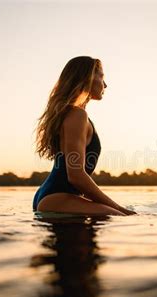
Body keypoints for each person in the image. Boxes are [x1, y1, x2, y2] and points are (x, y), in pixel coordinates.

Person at [33, 56, 136, 216]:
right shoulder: (77, 115)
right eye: (102, 76)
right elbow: (76, 176)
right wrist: (120, 209)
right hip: (57, 198)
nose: (105, 85)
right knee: (119, 216)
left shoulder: (69, 114)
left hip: (52, 196)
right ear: (87, 77)